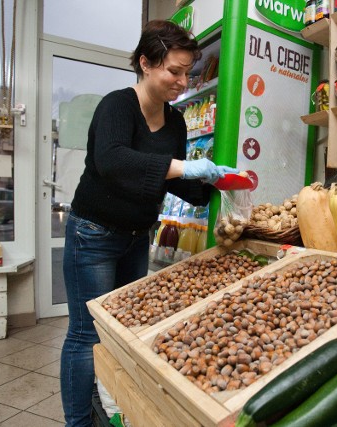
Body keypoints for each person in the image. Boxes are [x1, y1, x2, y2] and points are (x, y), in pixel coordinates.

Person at [60, 20, 237, 427]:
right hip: (94, 234)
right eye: (173, 71)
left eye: (187, 73)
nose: (181, 81)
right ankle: (78, 422)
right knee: (87, 335)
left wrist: (216, 184)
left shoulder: (175, 122)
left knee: (121, 331)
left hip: (137, 238)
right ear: (145, 62)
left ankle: (110, 410)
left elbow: (174, 181)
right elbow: (113, 160)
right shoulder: (117, 106)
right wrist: (184, 167)